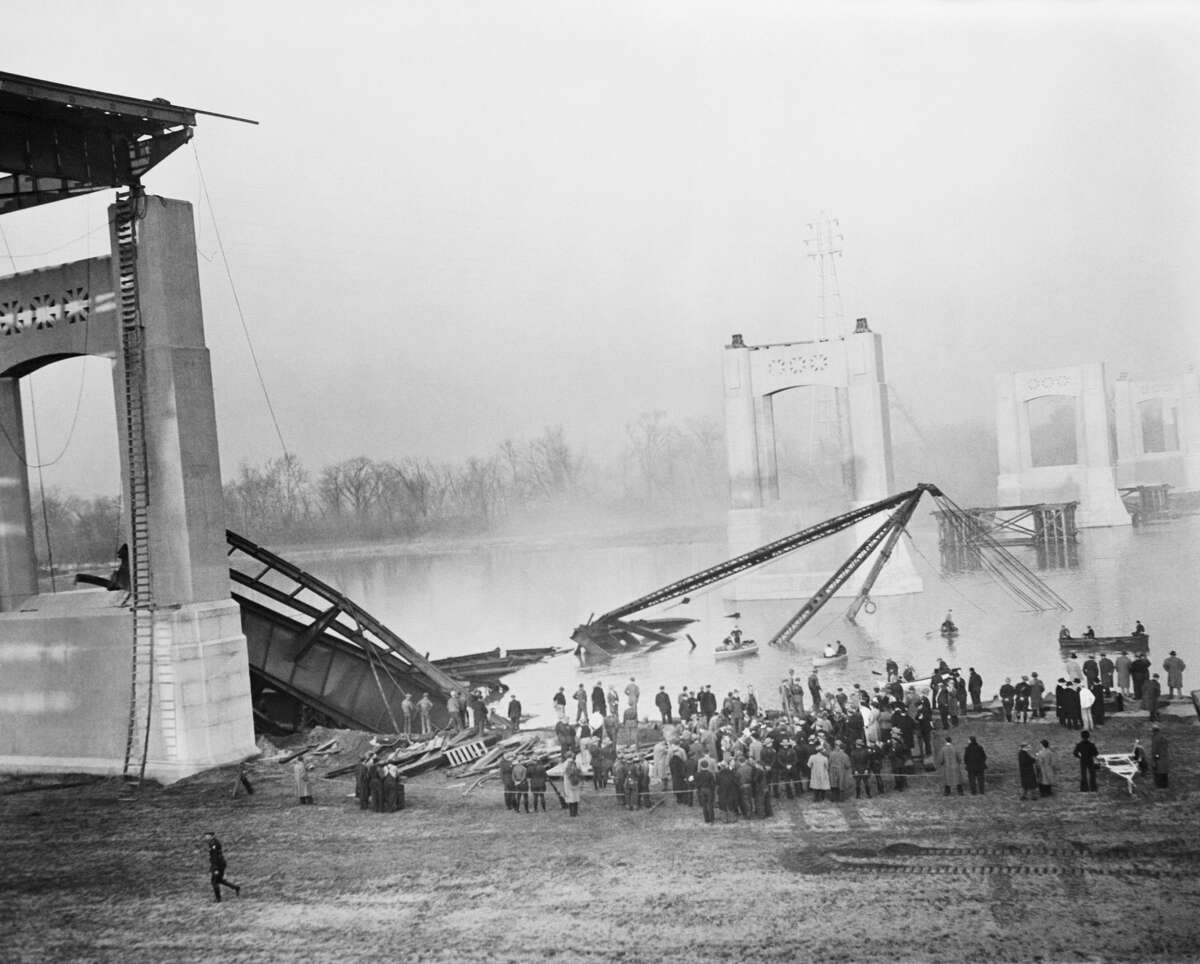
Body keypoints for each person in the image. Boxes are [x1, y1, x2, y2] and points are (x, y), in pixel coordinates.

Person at [204, 832, 240, 902]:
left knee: (214, 881)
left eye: (207, 836)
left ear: (212, 836)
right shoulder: (212, 843)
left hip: (218, 865)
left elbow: (216, 857)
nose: (206, 837)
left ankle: (218, 899)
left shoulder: (214, 844)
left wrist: (216, 868)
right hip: (219, 864)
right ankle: (236, 888)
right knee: (219, 880)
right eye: (205, 836)